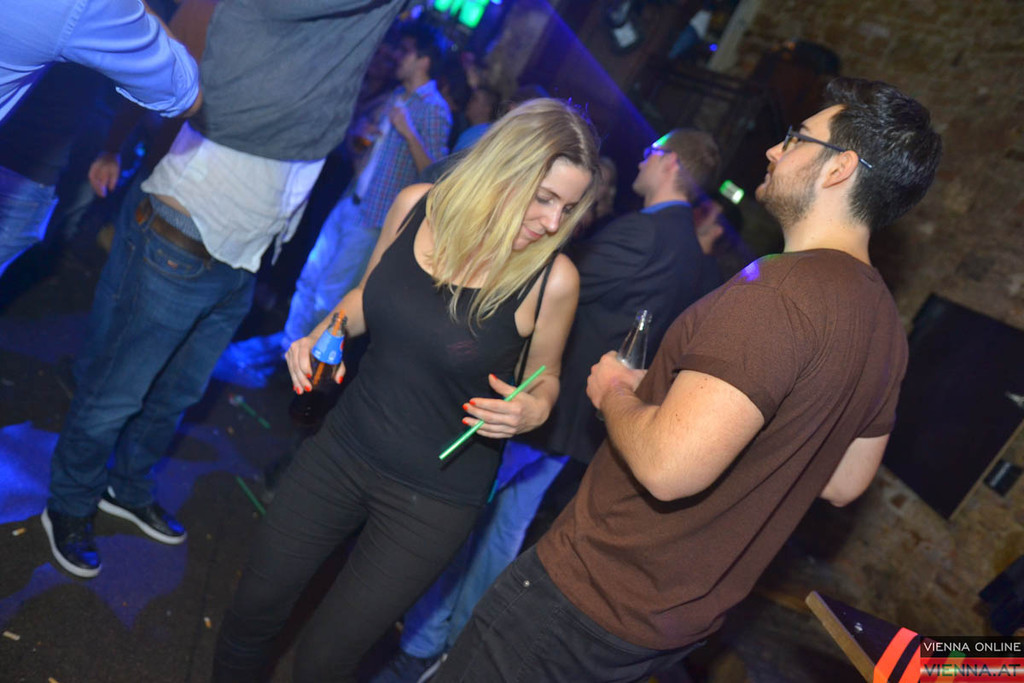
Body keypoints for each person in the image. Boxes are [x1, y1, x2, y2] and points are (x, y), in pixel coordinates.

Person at [433, 76, 942, 682]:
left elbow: (668, 468)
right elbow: (843, 481)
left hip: (591, 595)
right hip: (671, 627)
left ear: (839, 169)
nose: (774, 150)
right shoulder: (884, 325)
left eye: (796, 138)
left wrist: (616, 391)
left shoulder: (778, 291)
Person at [212, 98, 600, 683]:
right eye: (544, 198)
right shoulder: (417, 206)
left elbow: (546, 378)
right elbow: (366, 297)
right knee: (251, 611)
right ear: (502, 168)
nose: (552, 223)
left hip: (432, 502)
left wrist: (531, 411)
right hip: (341, 450)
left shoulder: (553, 279)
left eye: (567, 209)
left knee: (323, 660)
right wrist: (321, 334)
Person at [41, 0, 410, 580]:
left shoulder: (324, 59)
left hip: (244, 257)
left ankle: (126, 485)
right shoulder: (261, 21)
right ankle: (68, 500)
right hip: (181, 236)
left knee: (177, 394)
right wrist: (114, 145)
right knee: (118, 390)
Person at [374, 128, 722, 683]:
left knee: (460, 518)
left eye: (652, 151)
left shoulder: (644, 232)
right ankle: (458, 646)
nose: (642, 157)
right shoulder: (691, 252)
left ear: (671, 164)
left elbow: (551, 286)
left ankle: (422, 643)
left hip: (541, 406)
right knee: (504, 531)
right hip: (577, 424)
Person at [282, 20, 453, 348]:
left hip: (376, 218)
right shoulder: (396, 95)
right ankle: (287, 350)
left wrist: (409, 132)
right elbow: (364, 149)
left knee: (329, 295)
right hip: (352, 200)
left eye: (407, 51)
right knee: (308, 279)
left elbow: (437, 176)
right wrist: (361, 138)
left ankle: (309, 361)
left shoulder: (435, 110)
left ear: (424, 60)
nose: (398, 56)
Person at [0, 0, 200, 277]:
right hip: (27, 170)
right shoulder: (91, 7)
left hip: (39, 153)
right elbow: (185, 92)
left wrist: (111, 149)